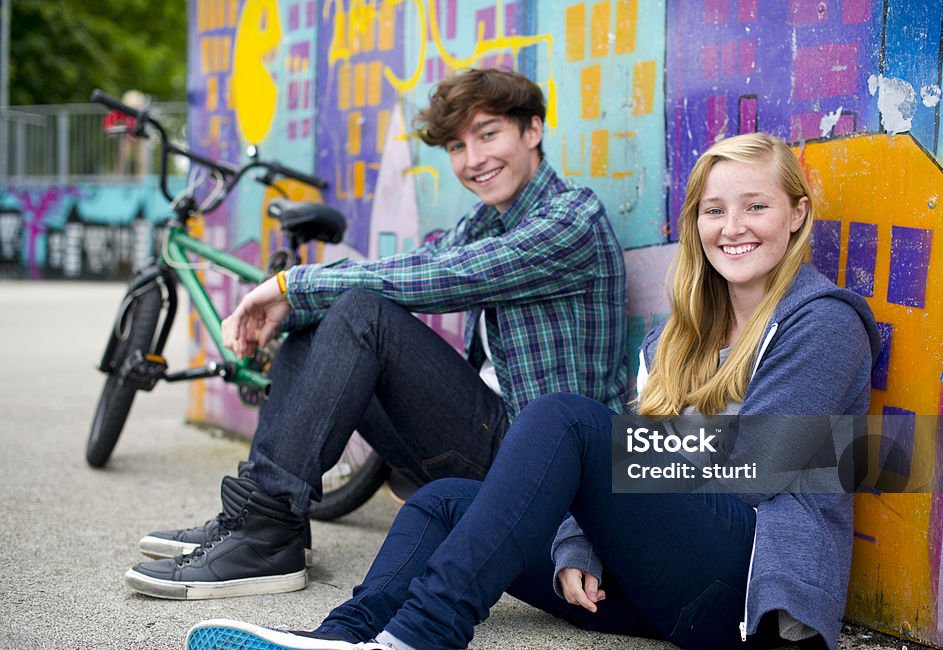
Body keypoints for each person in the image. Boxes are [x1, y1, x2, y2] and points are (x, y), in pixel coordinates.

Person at [181, 132, 881, 650]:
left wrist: (605, 487)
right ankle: (342, 641)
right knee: (442, 501)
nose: (733, 226)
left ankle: (421, 645)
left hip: (741, 589)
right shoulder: (679, 336)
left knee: (564, 418)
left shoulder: (822, 324)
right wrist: (581, 538)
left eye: (755, 206)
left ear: (796, 214)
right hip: (658, 586)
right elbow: (641, 469)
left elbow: (753, 471)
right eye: (715, 208)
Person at [124, 68, 628, 599]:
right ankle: (267, 520)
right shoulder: (485, 222)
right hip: (489, 444)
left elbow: (444, 278)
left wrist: (290, 284)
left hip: (544, 463)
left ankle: (264, 532)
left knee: (360, 311)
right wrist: (291, 308)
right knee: (317, 319)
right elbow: (415, 262)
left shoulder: (572, 220)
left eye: (488, 134)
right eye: (457, 146)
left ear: (532, 131)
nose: (473, 159)